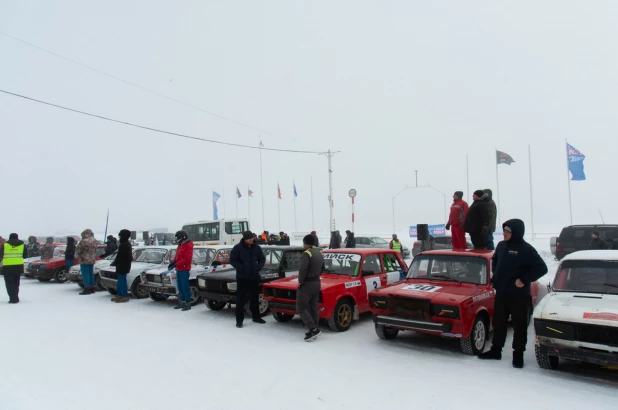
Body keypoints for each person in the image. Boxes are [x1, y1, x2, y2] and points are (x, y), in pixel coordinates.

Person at [479, 219, 547, 368]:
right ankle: (496, 350)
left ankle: (518, 355)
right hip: (502, 293)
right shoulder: (501, 245)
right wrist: (496, 275)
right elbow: (496, 260)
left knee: (519, 326)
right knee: (499, 323)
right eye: (504, 231)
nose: (504, 234)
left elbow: (542, 268)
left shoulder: (526, 249)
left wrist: (523, 280)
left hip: (519, 296)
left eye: (507, 232)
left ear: (516, 233)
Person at [229, 231, 266, 328]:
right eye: (249, 238)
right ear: (244, 239)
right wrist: (241, 267)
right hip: (242, 278)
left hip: (254, 277)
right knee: (241, 300)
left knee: (255, 298)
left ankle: (256, 317)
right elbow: (232, 260)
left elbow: (262, 259)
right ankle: (239, 321)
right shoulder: (238, 248)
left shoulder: (257, 248)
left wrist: (259, 266)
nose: (251, 240)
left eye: (252, 238)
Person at [297, 234, 324, 341]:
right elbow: (323, 267)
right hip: (316, 282)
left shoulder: (306, 254)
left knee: (301, 307)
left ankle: (313, 329)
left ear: (305, 243)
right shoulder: (319, 252)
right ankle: (315, 328)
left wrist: (300, 281)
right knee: (313, 307)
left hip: (307, 284)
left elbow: (303, 269)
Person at [168, 230, 194, 310]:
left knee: (185, 286)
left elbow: (187, 259)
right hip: (179, 269)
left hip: (184, 269)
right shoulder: (180, 245)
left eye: (178, 238)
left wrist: (177, 264)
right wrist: (173, 262)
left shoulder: (188, 245)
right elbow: (177, 256)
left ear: (183, 238)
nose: (177, 240)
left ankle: (188, 303)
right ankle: (182, 302)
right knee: (180, 286)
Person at [1, 233, 28, 304]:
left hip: (7, 267)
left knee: (9, 283)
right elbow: (25, 255)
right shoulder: (23, 245)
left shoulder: (5, 245)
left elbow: (1, 255)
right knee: (16, 283)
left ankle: (13, 298)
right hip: (18, 266)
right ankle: (15, 296)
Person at [110, 230, 133, 303]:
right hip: (122, 264)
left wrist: (115, 262)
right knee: (119, 281)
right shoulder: (125, 243)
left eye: (120, 235)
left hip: (123, 265)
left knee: (122, 280)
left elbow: (120, 256)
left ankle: (124, 295)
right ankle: (119, 295)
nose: (119, 236)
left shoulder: (125, 244)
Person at [75, 229, 98, 295]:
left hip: (84, 259)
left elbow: (78, 250)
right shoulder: (95, 240)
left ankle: (87, 288)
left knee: (85, 274)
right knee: (91, 273)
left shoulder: (84, 241)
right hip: (92, 259)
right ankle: (92, 287)